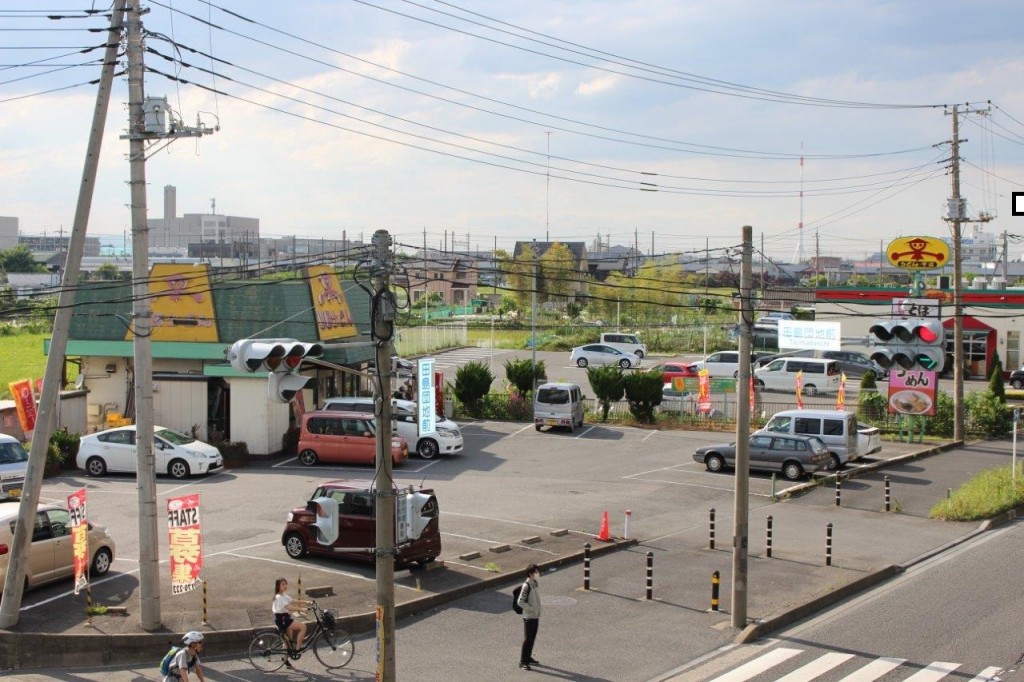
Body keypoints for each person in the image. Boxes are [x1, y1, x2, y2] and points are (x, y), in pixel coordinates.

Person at [273, 578, 312, 658]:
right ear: (278, 586)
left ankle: (284, 659)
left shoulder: (283, 596)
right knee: (303, 627)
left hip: (284, 618)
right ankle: (298, 649)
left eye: (285, 584)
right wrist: (301, 609)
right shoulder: (279, 597)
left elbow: (294, 601)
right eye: (282, 584)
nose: (285, 586)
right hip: (283, 620)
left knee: (288, 640)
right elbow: (288, 607)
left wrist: (306, 602)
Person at [517, 563, 542, 671]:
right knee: (528, 639)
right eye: (536, 572)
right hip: (529, 616)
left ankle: (528, 657)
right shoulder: (526, 585)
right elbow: (520, 602)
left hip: (535, 616)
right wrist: (531, 609)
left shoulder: (534, 583)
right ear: (530, 574)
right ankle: (523, 661)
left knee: (532, 638)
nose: (538, 574)